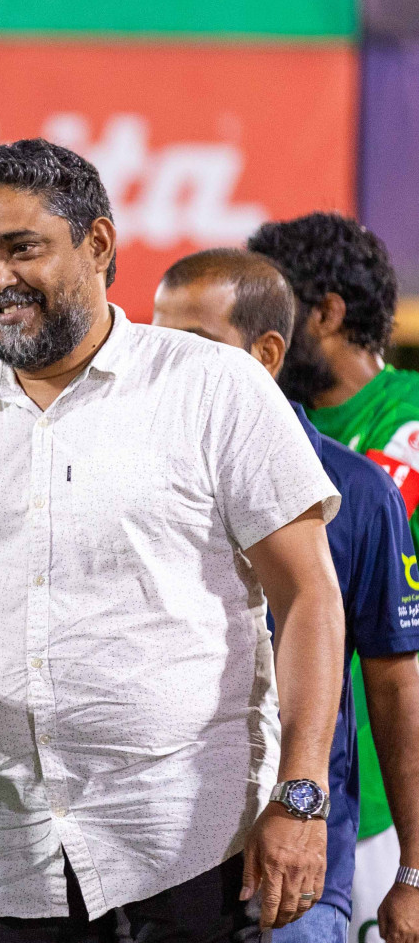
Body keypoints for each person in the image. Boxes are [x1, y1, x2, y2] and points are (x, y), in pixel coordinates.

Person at [0, 138, 346, 941]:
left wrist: (301, 795)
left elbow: (310, 598)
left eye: (23, 249)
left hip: (189, 848)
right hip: (7, 863)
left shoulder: (213, 388)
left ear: (99, 245)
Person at [153, 247, 419, 943]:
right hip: (149, 871)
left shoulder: (358, 493)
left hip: (299, 875)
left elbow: (393, 690)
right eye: (156, 344)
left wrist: (414, 870)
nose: (166, 368)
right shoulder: (127, 485)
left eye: (195, 345)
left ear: (266, 353)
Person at [247, 214, 419, 943]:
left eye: (272, 307)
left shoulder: (403, 424)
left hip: (379, 799)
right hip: (292, 786)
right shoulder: (265, 436)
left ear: (323, 313)